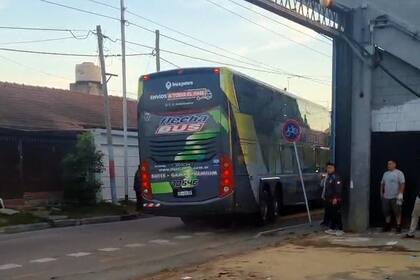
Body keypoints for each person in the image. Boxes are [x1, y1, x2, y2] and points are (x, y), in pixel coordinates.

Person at [380, 160, 405, 233]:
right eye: (388, 164)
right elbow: (382, 183)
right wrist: (381, 193)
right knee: (386, 212)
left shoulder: (399, 173)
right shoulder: (385, 174)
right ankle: (387, 225)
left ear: (394, 165)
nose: (388, 165)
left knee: (398, 212)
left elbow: (402, 183)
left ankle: (398, 226)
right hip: (386, 196)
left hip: (396, 196)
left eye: (390, 164)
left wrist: (400, 194)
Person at [323, 162, 343, 236]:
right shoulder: (329, 177)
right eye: (327, 168)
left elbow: (338, 189)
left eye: (330, 168)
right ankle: (332, 228)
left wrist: (335, 198)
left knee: (336, 214)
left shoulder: (336, 177)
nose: (328, 169)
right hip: (329, 199)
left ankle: (340, 229)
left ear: (334, 168)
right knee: (331, 214)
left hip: (335, 199)